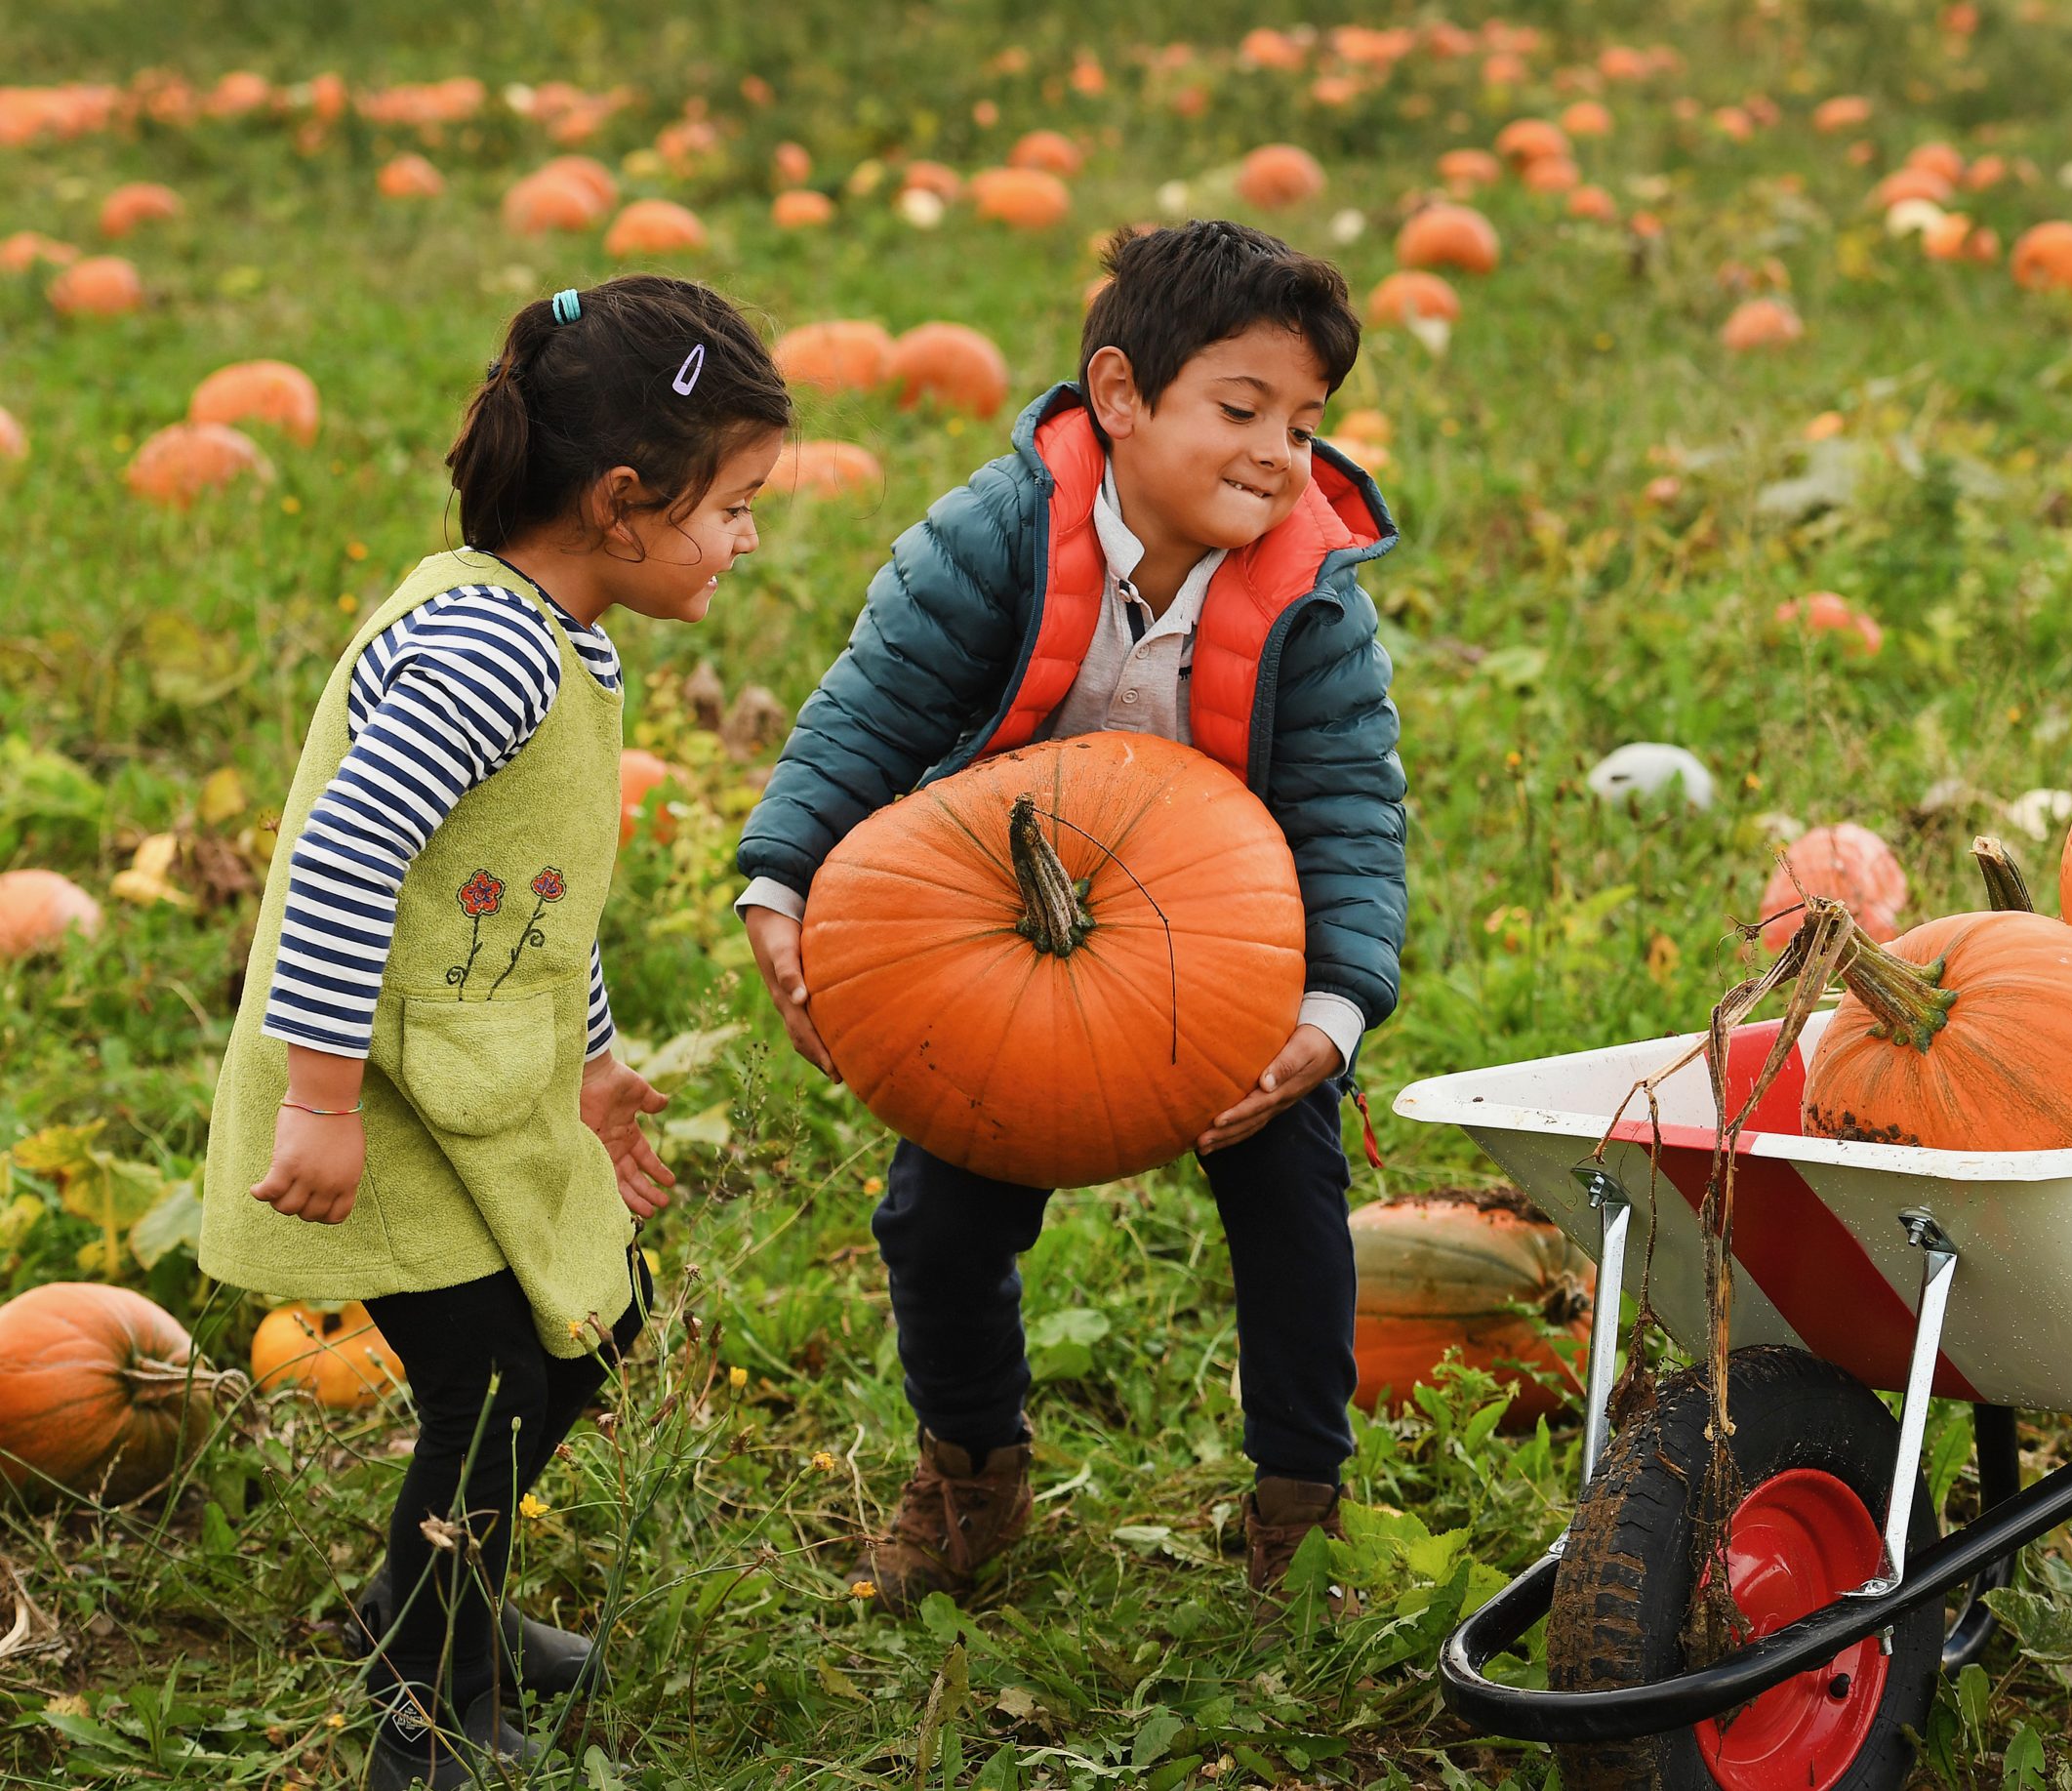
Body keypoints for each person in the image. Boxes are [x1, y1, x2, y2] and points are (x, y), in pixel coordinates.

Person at [736, 220, 1404, 1612]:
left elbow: (1348, 811)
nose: (1279, 452)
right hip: (993, 952)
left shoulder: (1312, 601)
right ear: (1117, 395)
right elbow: (871, 713)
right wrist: (783, 879)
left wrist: (1330, 1015)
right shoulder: (997, 538)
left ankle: (1301, 1502)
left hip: (1231, 976)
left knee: (1298, 1216)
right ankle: (970, 1466)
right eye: (1241, 409)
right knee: (935, 1222)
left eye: (1305, 421)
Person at [197, 274, 791, 1788]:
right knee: (492, 1387)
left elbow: (527, 903)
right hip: (379, 1098)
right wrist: (320, 1103)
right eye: (732, 507)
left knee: (593, 1322)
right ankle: (422, 1688)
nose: (745, 541)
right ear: (621, 503)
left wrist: (590, 1066)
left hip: (473, 1077)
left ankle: (433, 1595)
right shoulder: (492, 653)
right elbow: (344, 859)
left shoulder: (556, 638)